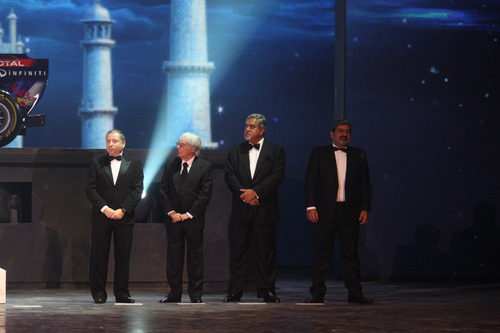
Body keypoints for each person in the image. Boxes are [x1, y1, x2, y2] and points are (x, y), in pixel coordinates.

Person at [304, 120, 373, 304]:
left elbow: (365, 184)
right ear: (331, 133)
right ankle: (317, 293)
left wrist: (365, 207)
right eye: (341, 131)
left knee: (350, 254)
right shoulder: (319, 153)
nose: (345, 134)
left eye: (348, 131)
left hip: (349, 211)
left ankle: (355, 293)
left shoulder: (359, 155)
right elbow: (311, 181)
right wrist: (311, 206)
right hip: (325, 210)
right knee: (322, 253)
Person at [223, 113, 285, 303]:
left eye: (252, 126)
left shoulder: (276, 150)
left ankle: (267, 291)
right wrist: (246, 195)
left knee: (265, 253)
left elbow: (277, 176)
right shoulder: (235, 151)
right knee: (238, 253)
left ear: (262, 130)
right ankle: (235, 292)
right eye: (246, 126)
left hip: (264, 209)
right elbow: (230, 176)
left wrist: (256, 193)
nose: (247, 129)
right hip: (241, 210)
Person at [86, 129, 144, 304]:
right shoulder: (97, 163)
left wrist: (123, 209)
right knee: (98, 256)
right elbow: (90, 189)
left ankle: (122, 293)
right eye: (107, 141)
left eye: (114, 141)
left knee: (123, 256)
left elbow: (137, 190)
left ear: (123, 143)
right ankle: (98, 293)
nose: (110, 144)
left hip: (124, 217)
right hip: (101, 216)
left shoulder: (134, 164)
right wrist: (105, 208)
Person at [159, 132, 213, 303]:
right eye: (178, 144)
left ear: (193, 148)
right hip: (174, 220)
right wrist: (172, 213)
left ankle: (195, 294)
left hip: (193, 220)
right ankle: (174, 293)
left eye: (182, 145)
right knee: (174, 258)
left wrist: (188, 214)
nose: (178, 147)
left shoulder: (204, 167)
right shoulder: (171, 164)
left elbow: (204, 195)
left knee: (195, 258)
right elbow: (163, 191)